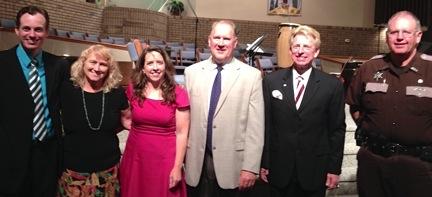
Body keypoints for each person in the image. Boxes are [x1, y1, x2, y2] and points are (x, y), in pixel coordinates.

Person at [346, 11, 432, 197]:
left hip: (418, 166)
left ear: (418, 36)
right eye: (394, 32)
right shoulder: (370, 67)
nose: (399, 37)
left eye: (406, 32)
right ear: (387, 37)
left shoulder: (430, 70)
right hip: (373, 163)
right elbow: (355, 106)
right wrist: (368, 126)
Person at [260, 25, 346, 197]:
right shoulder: (272, 82)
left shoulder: (332, 85)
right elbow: (267, 126)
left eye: (306, 46)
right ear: (291, 50)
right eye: (296, 46)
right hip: (279, 168)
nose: (300, 51)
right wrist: (264, 162)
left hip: (314, 169)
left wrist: (334, 168)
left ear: (315, 52)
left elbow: (336, 130)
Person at [184, 20, 265, 197]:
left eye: (226, 38)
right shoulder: (192, 73)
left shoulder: (251, 76)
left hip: (232, 164)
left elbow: (255, 128)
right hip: (197, 162)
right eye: (217, 37)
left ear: (235, 43)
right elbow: (184, 121)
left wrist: (250, 168)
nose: (221, 43)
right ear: (209, 40)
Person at [0, 6, 65, 196]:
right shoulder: (2, 63)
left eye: (38, 29)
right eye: (26, 28)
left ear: (46, 32)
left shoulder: (58, 65)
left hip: (48, 153)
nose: (32, 34)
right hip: (10, 155)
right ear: (17, 30)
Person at [57, 45, 128, 196]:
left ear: (110, 68)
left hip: (107, 169)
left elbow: (128, 120)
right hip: (73, 169)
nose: (97, 68)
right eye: (93, 62)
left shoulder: (116, 92)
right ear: (83, 63)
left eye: (103, 64)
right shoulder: (67, 89)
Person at [120, 46, 190, 197]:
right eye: (150, 63)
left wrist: (177, 167)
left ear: (166, 66)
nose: (155, 67)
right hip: (136, 157)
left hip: (165, 159)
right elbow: (126, 119)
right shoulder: (133, 89)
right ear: (143, 68)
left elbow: (182, 133)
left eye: (159, 62)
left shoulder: (178, 93)